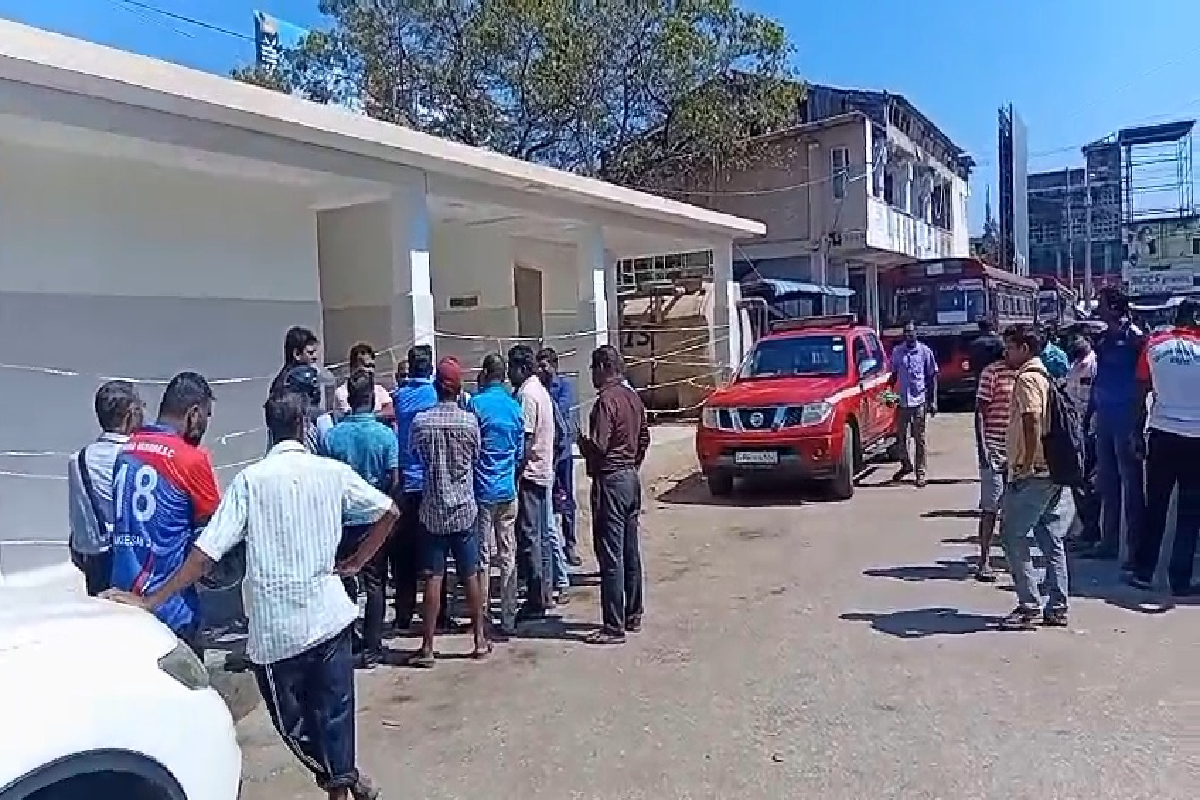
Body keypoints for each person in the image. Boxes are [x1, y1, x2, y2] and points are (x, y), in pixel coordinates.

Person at [105, 391, 399, 800]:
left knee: (294, 727)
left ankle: (342, 781)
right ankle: (345, 777)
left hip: (277, 633)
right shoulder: (332, 472)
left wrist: (152, 600)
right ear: (304, 426)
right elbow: (389, 511)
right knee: (336, 715)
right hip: (331, 616)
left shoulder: (249, 482)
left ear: (269, 428)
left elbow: (205, 555)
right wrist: (353, 562)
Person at [109, 372, 221, 656]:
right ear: (193, 414)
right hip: (170, 610)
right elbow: (209, 545)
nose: (205, 425)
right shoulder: (192, 460)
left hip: (123, 600)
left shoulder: (127, 450)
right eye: (206, 416)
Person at [407, 357, 489, 666]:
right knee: (470, 574)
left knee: (432, 578)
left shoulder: (421, 421)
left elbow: (416, 454)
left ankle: (427, 646)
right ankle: (480, 639)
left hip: (432, 507)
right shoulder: (470, 422)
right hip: (464, 507)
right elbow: (477, 457)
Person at [996, 325, 1074, 630]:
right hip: (1051, 470)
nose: (1006, 353)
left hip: (1035, 473)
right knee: (1049, 537)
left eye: (1010, 347)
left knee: (1012, 535)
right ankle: (1058, 606)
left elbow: (1032, 419)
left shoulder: (1028, 378)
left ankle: (1029, 606)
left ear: (1024, 349)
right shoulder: (1045, 374)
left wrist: (1024, 465)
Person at [324, 369, 400, 668]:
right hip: (374, 520)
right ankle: (372, 645)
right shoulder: (385, 436)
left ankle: (348, 639)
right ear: (371, 398)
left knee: (343, 579)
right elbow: (394, 478)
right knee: (375, 582)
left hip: (342, 520)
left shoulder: (332, 436)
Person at [577, 345, 650, 644]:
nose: (591, 375)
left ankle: (613, 625)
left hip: (611, 479)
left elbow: (600, 446)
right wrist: (633, 463)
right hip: (630, 478)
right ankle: (633, 613)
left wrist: (581, 443)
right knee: (630, 551)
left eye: (594, 368)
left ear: (605, 367)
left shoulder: (607, 402)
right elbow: (644, 437)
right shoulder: (633, 397)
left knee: (611, 554)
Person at [1128, 298, 1200, 597]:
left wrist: (1136, 432)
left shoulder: (1154, 346)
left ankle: (1143, 572)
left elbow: (1140, 392)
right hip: (1196, 440)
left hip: (1161, 435)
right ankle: (1180, 580)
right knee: (1190, 511)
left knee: (1155, 504)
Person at [67, 380, 144, 596]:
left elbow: (79, 517)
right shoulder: (138, 457)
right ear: (131, 413)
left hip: (95, 559)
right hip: (134, 558)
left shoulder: (78, 460)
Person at [1088, 287, 1147, 565]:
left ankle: (1134, 546)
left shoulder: (1135, 338)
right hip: (1105, 417)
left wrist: (1138, 423)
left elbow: (1143, 382)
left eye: (1101, 303)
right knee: (1108, 482)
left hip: (1126, 417)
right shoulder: (1103, 339)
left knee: (1130, 484)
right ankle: (1108, 541)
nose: (1097, 308)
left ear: (1113, 307)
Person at [468, 354, 524, 637]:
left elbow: (470, 447)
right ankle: (509, 616)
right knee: (507, 553)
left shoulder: (475, 404)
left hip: (482, 490)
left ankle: (483, 615)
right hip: (507, 488)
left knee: (483, 557)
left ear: (485, 373)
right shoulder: (514, 407)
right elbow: (520, 452)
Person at [389, 345, 438, 631]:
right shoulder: (434, 394)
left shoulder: (399, 397)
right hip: (430, 483)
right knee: (434, 552)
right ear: (429, 368)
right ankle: (438, 614)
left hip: (406, 482)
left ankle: (404, 613)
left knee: (404, 554)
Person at [508, 344, 555, 621]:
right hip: (541, 470)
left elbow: (525, 441)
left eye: (512, 369)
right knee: (540, 536)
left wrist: (515, 474)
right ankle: (543, 593)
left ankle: (536, 598)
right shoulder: (539, 391)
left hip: (530, 473)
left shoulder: (527, 394)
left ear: (522, 368)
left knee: (529, 538)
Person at [972, 351, 1016, 583]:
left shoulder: (1027, 373)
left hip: (1018, 451)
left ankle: (1011, 559)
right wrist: (983, 448)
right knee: (991, 506)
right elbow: (980, 412)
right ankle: (984, 560)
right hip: (995, 448)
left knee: (1013, 509)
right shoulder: (992, 373)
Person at [537, 347, 582, 567]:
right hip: (544, 453)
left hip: (561, 452)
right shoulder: (538, 388)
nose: (540, 370)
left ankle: (570, 544)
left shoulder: (563, 387)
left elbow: (559, 410)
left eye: (544, 365)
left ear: (554, 366)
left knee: (566, 498)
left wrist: (541, 398)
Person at [888, 321, 938, 487]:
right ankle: (906, 465)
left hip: (919, 402)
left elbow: (932, 377)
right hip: (902, 402)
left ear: (916, 333)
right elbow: (893, 375)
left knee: (919, 439)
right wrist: (888, 395)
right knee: (900, 439)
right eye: (906, 332)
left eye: (911, 332)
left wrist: (933, 400)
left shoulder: (924, 352)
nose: (908, 335)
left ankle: (920, 473)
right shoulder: (897, 352)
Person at [1064, 335, 1102, 550]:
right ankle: (1086, 529)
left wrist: (1088, 427)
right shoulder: (1076, 364)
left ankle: (1091, 531)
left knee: (1087, 483)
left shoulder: (1094, 365)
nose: (1074, 343)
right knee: (1077, 482)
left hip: (1089, 431)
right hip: (1075, 428)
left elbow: (1093, 401)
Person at [334, 343, 395, 422]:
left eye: (372, 366)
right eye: (366, 366)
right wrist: (378, 415)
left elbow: (390, 412)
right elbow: (352, 417)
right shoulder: (342, 392)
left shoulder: (380, 390)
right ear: (353, 368)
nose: (370, 371)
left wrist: (369, 416)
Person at [270, 326, 320, 398]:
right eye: (310, 353)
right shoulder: (294, 381)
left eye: (316, 352)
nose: (315, 357)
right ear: (297, 354)